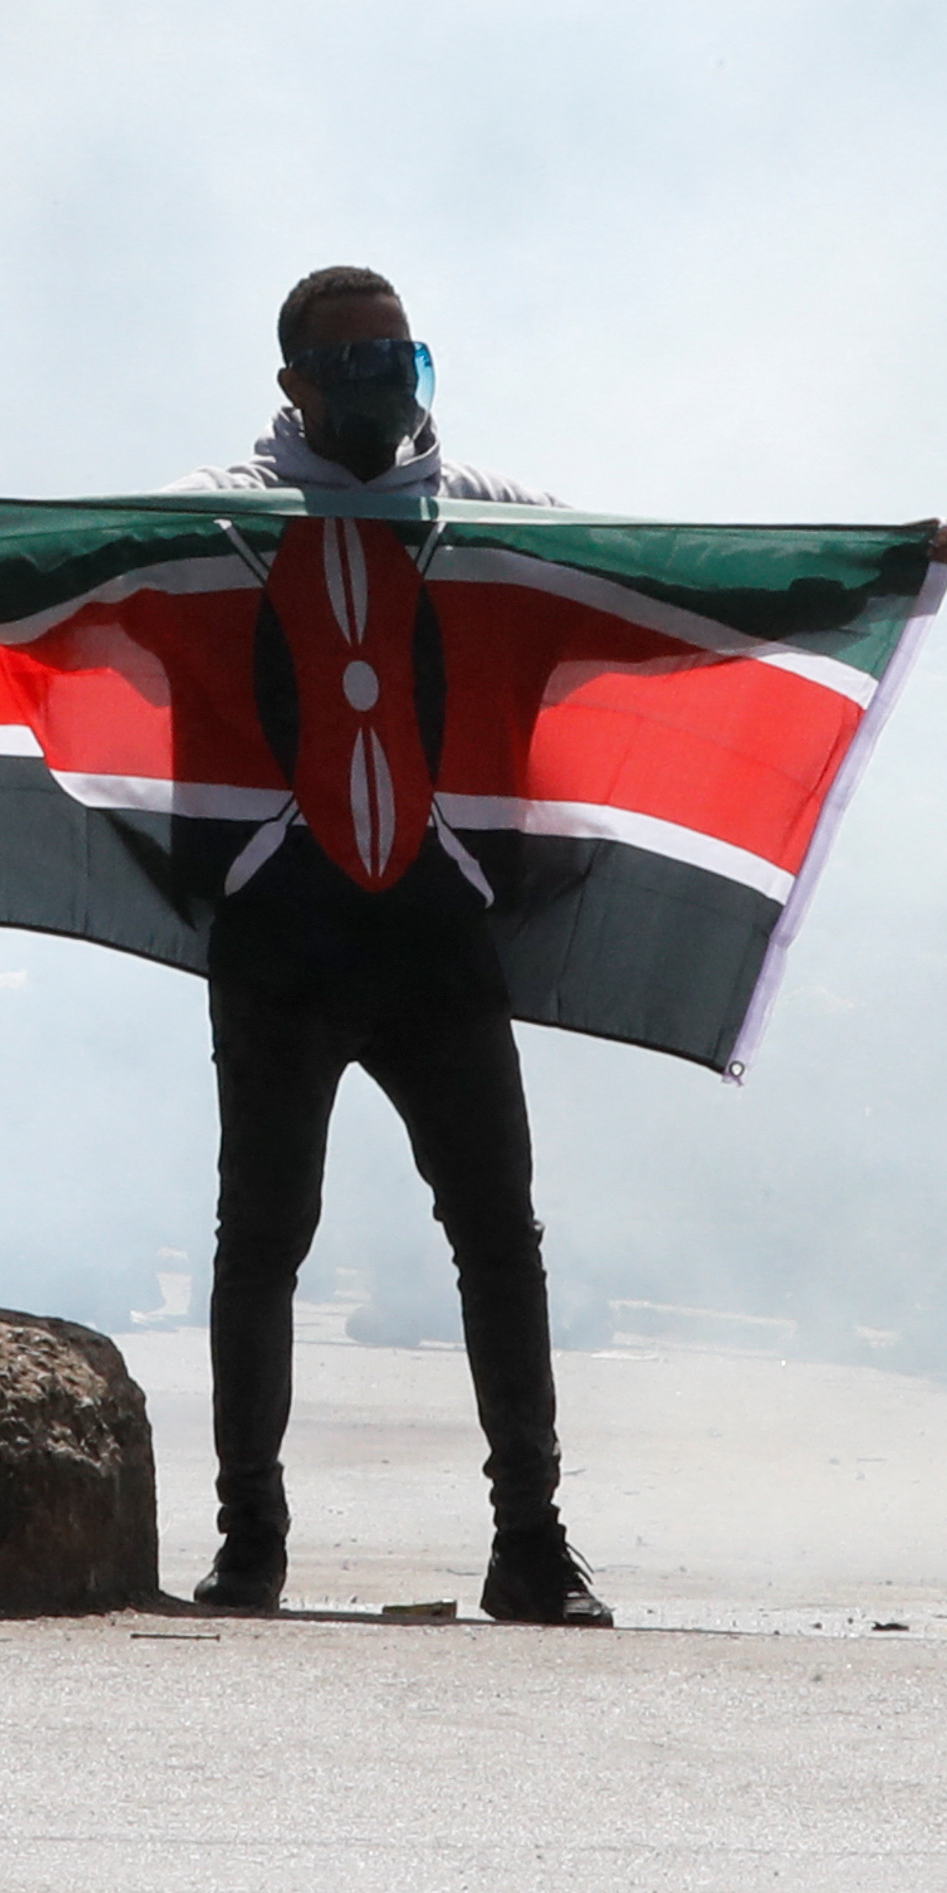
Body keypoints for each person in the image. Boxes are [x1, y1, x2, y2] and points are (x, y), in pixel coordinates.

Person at [171, 264, 611, 1629]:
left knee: (500, 1238)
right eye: (350, 360)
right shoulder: (217, 514)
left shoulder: (484, 513)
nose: (381, 380)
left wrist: (879, 560)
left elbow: (668, 570)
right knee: (264, 1240)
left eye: (400, 355)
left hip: (438, 934)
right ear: (293, 382)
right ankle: (252, 1540)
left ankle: (530, 1542)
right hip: (280, 938)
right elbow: (37, 564)